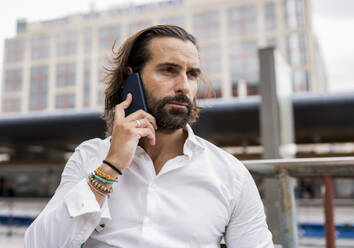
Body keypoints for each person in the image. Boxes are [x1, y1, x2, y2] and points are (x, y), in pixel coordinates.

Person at [25, 25, 273, 248]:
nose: (184, 86)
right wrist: (110, 168)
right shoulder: (89, 157)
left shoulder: (231, 175)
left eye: (192, 74)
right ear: (130, 79)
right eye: (168, 70)